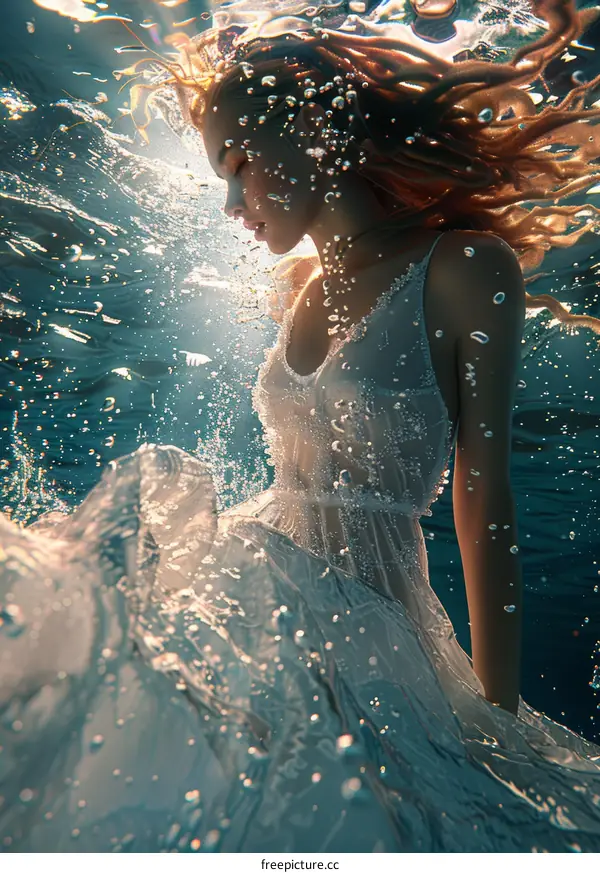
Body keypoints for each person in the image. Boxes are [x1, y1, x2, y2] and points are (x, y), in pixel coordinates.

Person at [3, 0, 600, 853]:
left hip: (386, 630)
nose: (230, 203)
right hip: (262, 597)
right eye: (219, 174)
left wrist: (495, 709)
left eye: (240, 163)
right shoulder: (294, 291)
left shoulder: (466, 265)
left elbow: (484, 493)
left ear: (314, 126)